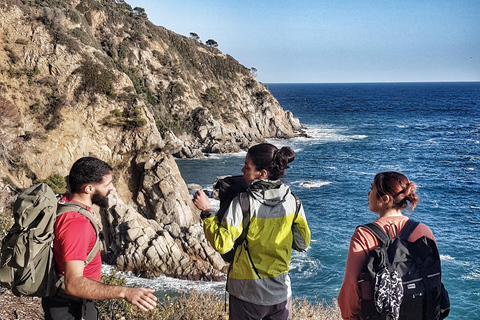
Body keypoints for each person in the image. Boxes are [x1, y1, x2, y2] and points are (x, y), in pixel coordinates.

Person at [193, 143, 311, 320]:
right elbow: (302, 243)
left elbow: (222, 244)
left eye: (247, 167)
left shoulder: (243, 202)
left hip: (246, 294)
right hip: (281, 293)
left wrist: (207, 212)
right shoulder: (293, 201)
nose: (242, 170)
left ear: (262, 173)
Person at [42, 156, 157, 320]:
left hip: (71, 303)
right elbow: (73, 283)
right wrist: (124, 292)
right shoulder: (77, 224)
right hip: (71, 309)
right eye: (107, 184)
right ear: (88, 189)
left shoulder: (66, 203)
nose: (111, 188)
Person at [338, 171, 438, 320]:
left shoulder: (364, 235)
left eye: (371, 189)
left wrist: (349, 316)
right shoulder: (423, 231)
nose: (368, 193)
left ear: (385, 199)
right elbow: (436, 279)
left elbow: (351, 286)